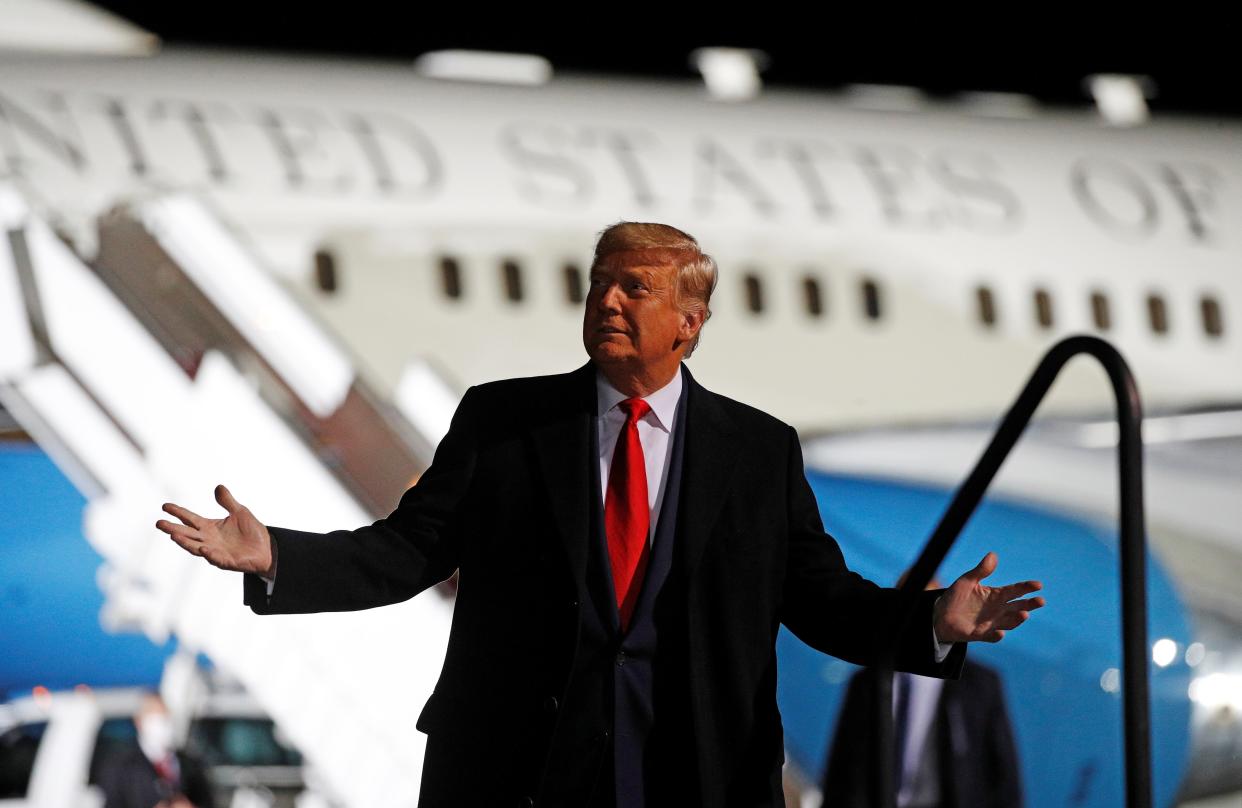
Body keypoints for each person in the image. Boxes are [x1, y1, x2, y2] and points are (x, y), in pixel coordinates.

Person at [157, 222, 1044, 807]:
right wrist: (276, 554)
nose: (609, 303)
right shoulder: (506, 422)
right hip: (518, 775)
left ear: (689, 326)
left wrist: (932, 620)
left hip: (693, 778)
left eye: (636, 290)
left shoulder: (756, 451)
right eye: (600, 286)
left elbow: (817, 598)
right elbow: (408, 551)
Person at [820, 578, 1023, 808]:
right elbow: (843, 762)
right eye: (908, 606)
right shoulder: (867, 681)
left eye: (926, 607)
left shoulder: (979, 684)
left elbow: (1004, 772)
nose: (916, 617)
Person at [94, 693, 215, 808]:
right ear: (139, 721)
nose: (163, 724)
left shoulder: (188, 763)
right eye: (156, 718)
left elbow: (207, 801)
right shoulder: (120, 765)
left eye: (166, 717)